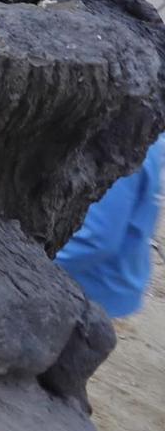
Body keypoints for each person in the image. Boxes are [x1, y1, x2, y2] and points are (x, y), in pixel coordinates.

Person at [57, 135, 165, 317]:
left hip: (89, 286)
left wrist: (30, 267)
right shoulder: (152, 139)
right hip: (121, 275)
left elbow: (95, 238)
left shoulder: (118, 147)